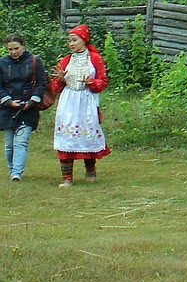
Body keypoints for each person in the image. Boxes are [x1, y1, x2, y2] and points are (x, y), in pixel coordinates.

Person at [48, 24, 110, 187]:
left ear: (84, 40)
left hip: (86, 100)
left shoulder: (95, 59)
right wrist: (60, 79)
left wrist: (91, 82)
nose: (71, 44)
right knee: (67, 135)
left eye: (74, 40)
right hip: (69, 102)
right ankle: (67, 177)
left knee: (87, 133)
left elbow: (103, 82)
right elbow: (56, 87)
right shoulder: (67, 60)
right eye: (69, 41)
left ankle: (90, 171)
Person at [0, 33, 50, 182]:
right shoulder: (2, 62)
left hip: (28, 108)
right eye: (10, 49)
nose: (13, 52)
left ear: (23, 46)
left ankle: (17, 172)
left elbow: (42, 83)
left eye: (16, 48)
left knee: (21, 141)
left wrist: (33, 101)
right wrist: (8, 101)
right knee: (9, 143)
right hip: (7, 108)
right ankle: (11, 169)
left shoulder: (35, 61)